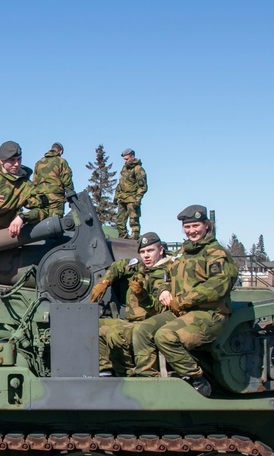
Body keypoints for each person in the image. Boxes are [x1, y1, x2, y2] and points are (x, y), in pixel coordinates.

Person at [131, 205, 237, 396]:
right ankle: (148, 382)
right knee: (142, 330)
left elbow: (218, 286)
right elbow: (167, 276)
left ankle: (195, 377)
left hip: (209, 314)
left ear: (206, 225)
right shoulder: (183, 253)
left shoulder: (215, 253)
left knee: (165, 336)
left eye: (195, 225)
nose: (191, 231)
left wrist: (182, 300)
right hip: (182, 312)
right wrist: (164, 290)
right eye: (187, 227)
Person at [89, 232, 168, 376]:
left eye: (150, 250)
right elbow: (119, 266)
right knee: (95, 325)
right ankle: (106, 369)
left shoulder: (164, 274)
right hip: (132, 321)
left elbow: (160, 310)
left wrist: (142, 295)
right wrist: (105, 281)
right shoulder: (140, 266)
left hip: (149, 323)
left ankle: (127, 374)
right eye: (142, 252)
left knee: (115, 334)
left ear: (161, 250)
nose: (146, 256)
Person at [32, 142, 74, 217]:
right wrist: (72, 196)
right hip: (56, 198)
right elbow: (67, 181)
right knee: (56, 223)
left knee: (43, 223)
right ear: (60, 151)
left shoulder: (38, 163)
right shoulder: (61, 161)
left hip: (41, 197)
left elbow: (34, 182)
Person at [114, 148, 148, 239]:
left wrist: (137, 200)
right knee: (119, 222)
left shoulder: (138, 169)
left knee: (134, 222)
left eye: (127, 159)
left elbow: (143, 186)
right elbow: (120, 183)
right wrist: (116, 196)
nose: (125, 161)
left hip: (132, 199)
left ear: (132, 157)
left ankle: (133, 241)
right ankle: (123, 240)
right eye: (124, 159)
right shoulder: (124, 168)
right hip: (122, 198)